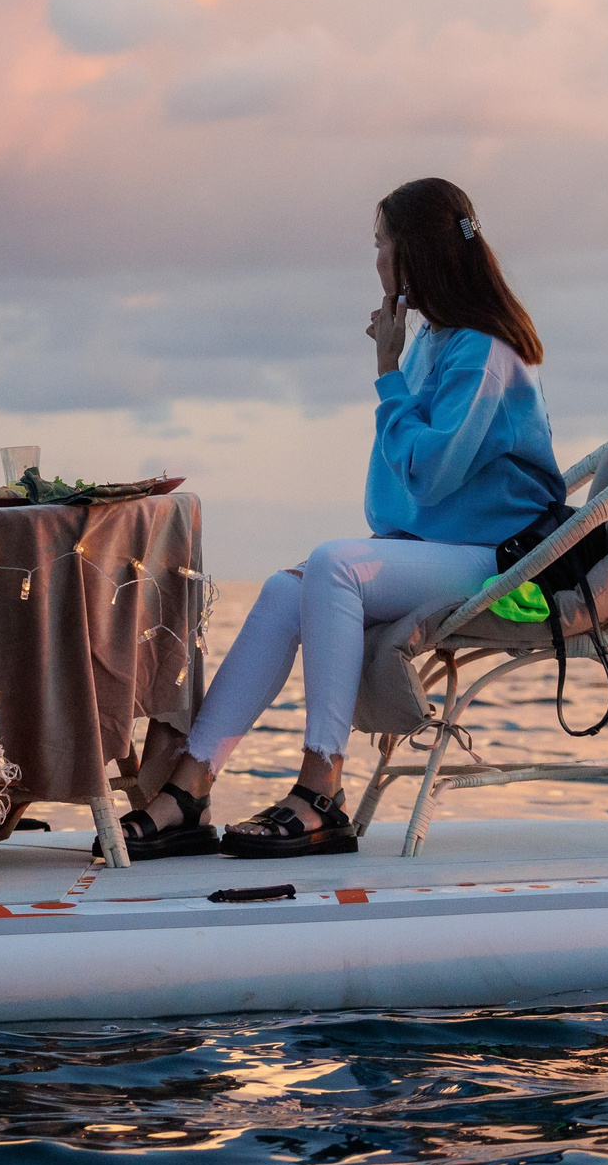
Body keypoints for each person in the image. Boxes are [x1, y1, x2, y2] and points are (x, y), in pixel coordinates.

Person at [119, 177, 564, 860]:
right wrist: (397, 369)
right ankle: (190, 786)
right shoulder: (436, 342)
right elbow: (398, 486)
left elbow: (427, 472)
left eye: (381, 244)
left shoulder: (484, 352)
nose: (376, 259)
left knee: (333, 563)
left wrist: (387, 370)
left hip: (500, 555)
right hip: (433, 541)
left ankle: (322, 788)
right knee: (283, 588)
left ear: (411, 255)